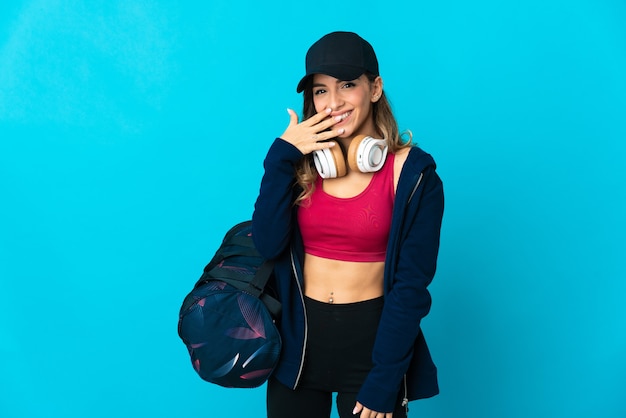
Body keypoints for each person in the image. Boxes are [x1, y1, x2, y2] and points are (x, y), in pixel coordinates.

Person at [252, 31, 444, 418]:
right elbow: (267, 245)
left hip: (373, 353)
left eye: (348, 85)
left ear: (375, 88)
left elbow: (411, 287)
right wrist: (281, 156)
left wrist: (386, 378)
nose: (334, 102)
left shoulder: (414, 174)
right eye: (321, 91)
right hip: (298, 347)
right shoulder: (301, 166)